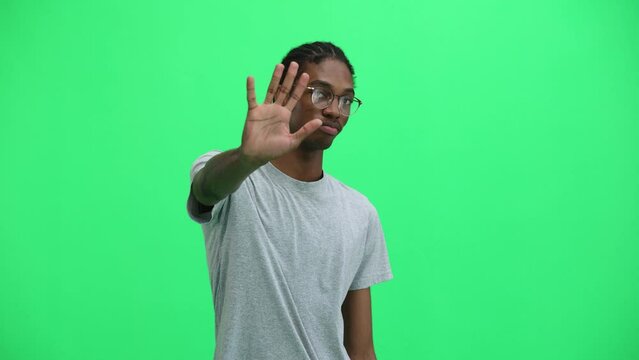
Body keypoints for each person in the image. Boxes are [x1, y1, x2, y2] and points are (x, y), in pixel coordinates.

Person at [186, 41, 393, 360]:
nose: (335, 109)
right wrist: (246, 158)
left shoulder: (360, 212)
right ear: (288, 93)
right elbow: (203, 193)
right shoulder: (237, 181)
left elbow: (361, 349)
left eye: (346, 100)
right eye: (321, 93)